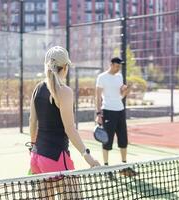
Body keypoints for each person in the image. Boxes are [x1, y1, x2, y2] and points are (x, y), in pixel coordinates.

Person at [29, 46, 100, 198]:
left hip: (37, 158)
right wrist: (87, 155)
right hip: (56, 159)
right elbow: (70, 129)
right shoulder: (64, 92)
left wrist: (34, 148)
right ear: (65, 67)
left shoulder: (37, 89)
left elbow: (32, 123)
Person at [95, 57, 131, 166]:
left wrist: (126, 90)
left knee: (123, 139)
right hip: (108, 111)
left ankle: (124, 165)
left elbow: (121, 95)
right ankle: (106, 167)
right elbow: (97, 97)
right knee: (107, 140)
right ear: (111, 64)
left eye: (119, 66)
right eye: (116, 66)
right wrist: (98, 114)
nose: (118, 68)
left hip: (120, 111)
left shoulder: (119, 76)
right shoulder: (102, 77)